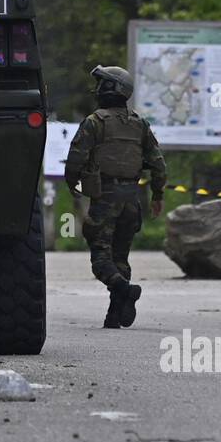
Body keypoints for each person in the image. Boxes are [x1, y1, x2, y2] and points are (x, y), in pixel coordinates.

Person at [64, 65, 167, 329]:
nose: (98, 89)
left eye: (102, 83)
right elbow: (158, 163)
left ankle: (124, 288)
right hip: (132, 198)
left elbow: (77, 155)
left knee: (100, 259)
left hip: (105, 197)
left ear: (112, 88)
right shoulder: (140, 124)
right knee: (120, 257)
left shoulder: (94, 122)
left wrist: (71, 180)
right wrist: (157, 195)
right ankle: (113, 315)